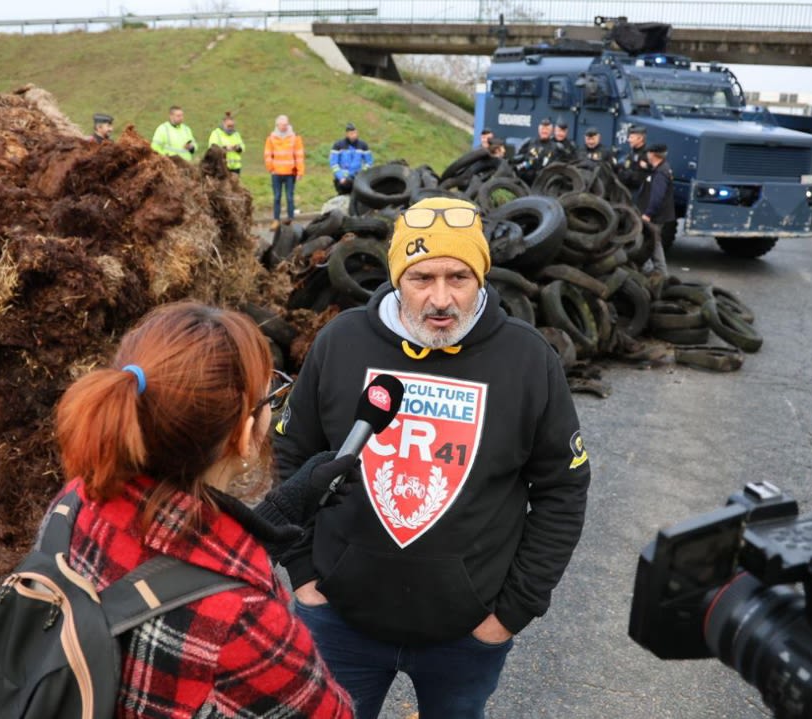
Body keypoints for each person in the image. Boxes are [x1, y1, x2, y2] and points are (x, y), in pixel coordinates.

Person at [274, 196, 592, 719]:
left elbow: (562, 489)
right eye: (422, 278)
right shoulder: (342, 342)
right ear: (398, 277)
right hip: (338, 620)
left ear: (482, 279)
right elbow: (292, 453)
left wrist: (511, 613)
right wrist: (305, 574)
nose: (441, 299)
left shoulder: (528, 359)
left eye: (458, 277)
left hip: (467, 636)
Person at [46, 302, 355, 718]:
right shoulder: (246, 621)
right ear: (245, 434)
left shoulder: (75, 501)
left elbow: (175, 564)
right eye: (270, 397)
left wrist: (284, 508)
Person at [637, 143, 674, 279]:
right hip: (657, 216)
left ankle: (655, 274)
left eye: (648, 153)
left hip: (654, 217)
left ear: (653, 154)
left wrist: (648, 214)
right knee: (655, 244)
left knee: (649, 243)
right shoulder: (661, 169)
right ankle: (660, 273)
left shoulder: (661, 173)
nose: (647, 155)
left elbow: (657, 197)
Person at [264, 114, 305, 230]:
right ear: (277, 125)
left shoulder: (295, 137)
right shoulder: (271, 138)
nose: (284, 127)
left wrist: (300, 171)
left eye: (286, 125)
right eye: (282, 125)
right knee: (277, 197)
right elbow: (267, 154)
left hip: (290, 173)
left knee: (289, 197)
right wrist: (271, 168)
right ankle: (276, 220)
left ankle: (291, 219)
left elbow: (299, 155)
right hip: (276, 173)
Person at [330, 122, 373, 196]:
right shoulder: (338, 145)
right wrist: (341, 177)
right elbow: (334, 164)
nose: (354, 135)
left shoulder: (363, 145)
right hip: (343, 180)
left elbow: (369, 162)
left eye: (355, 133)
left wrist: (362, 173)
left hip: (357, 178)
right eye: (351, 133)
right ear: (347, 134)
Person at [514, 117, 555, 183]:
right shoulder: (529, 142)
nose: (544, 131)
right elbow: (518, 162)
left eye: (547, 129)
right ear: (539, 130)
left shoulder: (556, 147)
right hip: (527, 181)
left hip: (546, 182)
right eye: (542, 129)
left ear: (551, 131)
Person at [619, 124, 650, 193]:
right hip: (627, 189)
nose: (629, 140)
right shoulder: (632, 152)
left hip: (639, 193)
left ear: (640, 138)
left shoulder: (648, 154)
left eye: (631, 137)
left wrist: (630, 175)